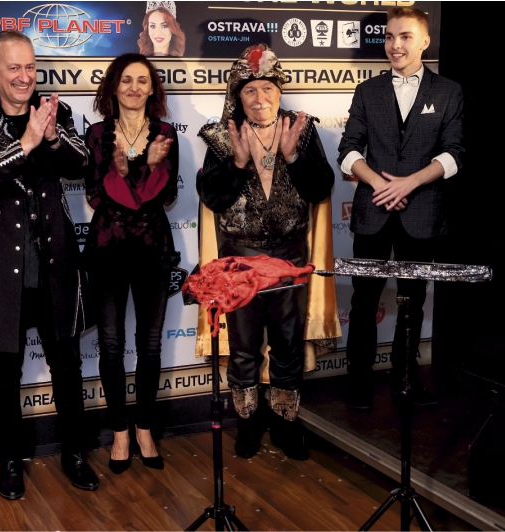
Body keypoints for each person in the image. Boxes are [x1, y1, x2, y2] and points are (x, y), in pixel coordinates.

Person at [0, 30, 98, 498]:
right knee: (4, 376)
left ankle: (75, 454)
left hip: (55, 265)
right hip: (1, 268)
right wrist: (27, 143)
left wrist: (51, 136)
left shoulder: (58, 111)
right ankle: (10, 462)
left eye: (30, 67)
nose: (24, 76)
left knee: (68, 368)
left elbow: (82, 165)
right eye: (13, 67)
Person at [197, 44, 334, 461]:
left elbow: (321, 188)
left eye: (267, 88)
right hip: (240, 258)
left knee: (288, 346)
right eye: (250, 90)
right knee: (243, 349)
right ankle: (248, 424)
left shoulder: (302, 130)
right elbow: (212, 197)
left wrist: (293, 156)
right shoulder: (223, 136)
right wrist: (237, 164)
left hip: (290, 257)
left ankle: (285, 424)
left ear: (279, 90)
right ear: (237, 96)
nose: (260, 98)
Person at [337, 6, 464, 412]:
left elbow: (454, 154)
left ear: (425, 41)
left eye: (405, 36)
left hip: (422, 213)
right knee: (363, 301)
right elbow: (348, 150)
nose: (395, 45)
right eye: (389, 37)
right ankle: (358, 383)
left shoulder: (448, 91)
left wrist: (409, 183)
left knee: (413, 300)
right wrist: (380, 184)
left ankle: (405, 381)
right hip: (373, 209)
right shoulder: (367, 90)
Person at [83, 53, 179, 474]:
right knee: (110, 344)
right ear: (113, 86)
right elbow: (95, 195)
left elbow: (165, 196)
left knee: (150, 344)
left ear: (152, 88)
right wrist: (134, 171)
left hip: (153, 250)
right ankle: (120, 431)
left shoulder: (166, 133)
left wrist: (132, 172)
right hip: (108, 250)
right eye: (126, 80)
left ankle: (144, 428)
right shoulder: (97, 134)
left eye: (143, 80)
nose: (134, 87)